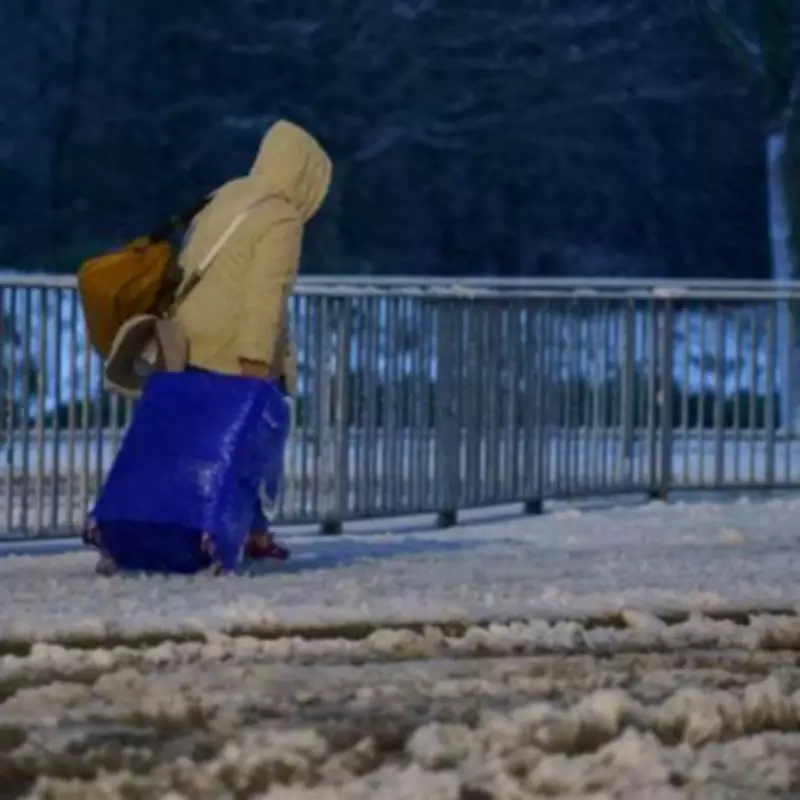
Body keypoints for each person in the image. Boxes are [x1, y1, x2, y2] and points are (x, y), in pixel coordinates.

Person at [86, 119, 332, 574]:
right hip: (233, 344)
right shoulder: (281, 216)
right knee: (255, 435)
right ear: (305, 176)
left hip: (184, 339)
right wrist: (256, 358)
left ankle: (132, 527)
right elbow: (266, 293)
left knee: (173, 439)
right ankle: (242, 532)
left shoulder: (226, 196)